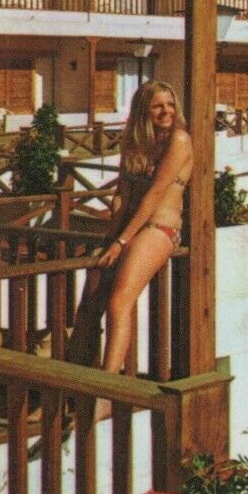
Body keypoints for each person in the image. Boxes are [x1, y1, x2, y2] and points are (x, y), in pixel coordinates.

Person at [69, 82, 192, 376]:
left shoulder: (180, 139)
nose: (166, 111)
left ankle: (108, 387)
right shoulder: (136, 143)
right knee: (91, 296)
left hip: (160, 228)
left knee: (119, 300)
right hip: (132, 230)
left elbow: (156, 193)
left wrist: (121, 241)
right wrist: (111, 237)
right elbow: (122, 196)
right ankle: (72, 376)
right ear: (143, 111)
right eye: (158, 106)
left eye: (170, 104)